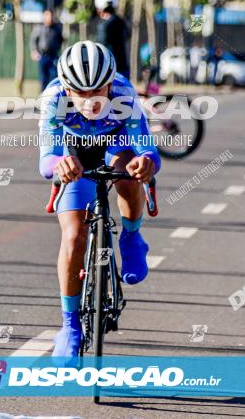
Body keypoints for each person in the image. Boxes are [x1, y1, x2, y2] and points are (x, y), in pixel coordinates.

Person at [38, 40, 160, 360]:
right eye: (81, 93)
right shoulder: (53, 99)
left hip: (115, 142)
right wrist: (58, 166)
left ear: (110, 83)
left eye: (99, 91)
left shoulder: (123, 94)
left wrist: (145, 162)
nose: (91, 101)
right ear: (66, 88)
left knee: (128, 172)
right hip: (74, 152)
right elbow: (46, 161)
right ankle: (70, 326)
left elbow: (147, 148)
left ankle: (132, 239)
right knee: (74, 235)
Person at [94, 0, 131, 78]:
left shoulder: (103, 25)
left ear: (99, 9)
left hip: (109, 70)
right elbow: (128, 35)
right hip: (123, 66)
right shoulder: (121, 21)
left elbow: (101, 45)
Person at [30, 8, 65, 90]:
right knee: (43, 77)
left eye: (50, 15)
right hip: (42, 56)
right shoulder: (39, 28)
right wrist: (34, 51)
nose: (49, 17)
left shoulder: (57, 29)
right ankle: (43, 95)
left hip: (53, 56)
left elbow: (61, 40)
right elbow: (33, 40)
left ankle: (53, 94)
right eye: (47, 15)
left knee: (54, 76)